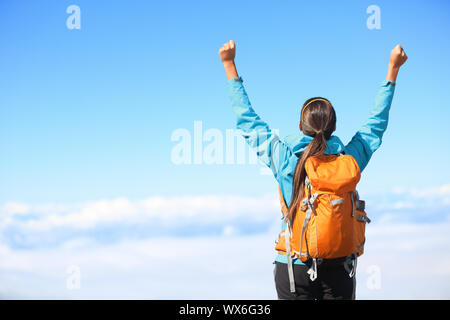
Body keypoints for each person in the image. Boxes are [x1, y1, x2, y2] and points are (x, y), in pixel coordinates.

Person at [218, 40, 408, 300]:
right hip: (341, 267)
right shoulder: (349, 160)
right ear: (334, 128)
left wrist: (229, 65)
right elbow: (376, 124)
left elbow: (248, 122)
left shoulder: (286, 160)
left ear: (300, 126)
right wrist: (392, 70)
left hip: (294, 266)